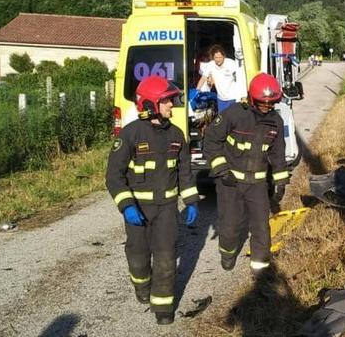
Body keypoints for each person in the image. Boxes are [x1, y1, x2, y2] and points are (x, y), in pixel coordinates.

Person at [105, 76, 200, 325]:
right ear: (151, 105)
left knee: (166, 257)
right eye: (168, 101)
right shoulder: (130, 134)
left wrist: (191, 200)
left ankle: (163, 309)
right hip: (138, 210)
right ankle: (142, 286)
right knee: (137, 256)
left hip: (167, 210)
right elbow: (113, 176)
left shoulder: (177, 134)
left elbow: (185, 172)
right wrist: (126, 206)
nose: (173, 106)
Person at [203, 73, 291, 277]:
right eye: (262, 103)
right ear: (252, 98)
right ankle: (227, 253)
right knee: (230, 226)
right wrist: (222, 170)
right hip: (230, 182)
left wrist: (280, 182)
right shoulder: (234, 114)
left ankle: (260, 271)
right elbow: (211, 141)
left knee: (261, 227)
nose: (266, 107)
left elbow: (277, 153)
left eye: (271, 104)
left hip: (257, 184)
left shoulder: (275, 122)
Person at [200, 44, 247, 112]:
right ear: (213, 57)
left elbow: (240, 79)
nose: (218, 60)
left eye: (220, 57)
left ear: (224, 56)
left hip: (232, 97)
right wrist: (197, 91)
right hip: (221, 99)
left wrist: (242, 95)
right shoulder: (211, 64)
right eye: (216, 58)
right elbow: (203, 78)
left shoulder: (231, 63)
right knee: (222, 120)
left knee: (232, 119)